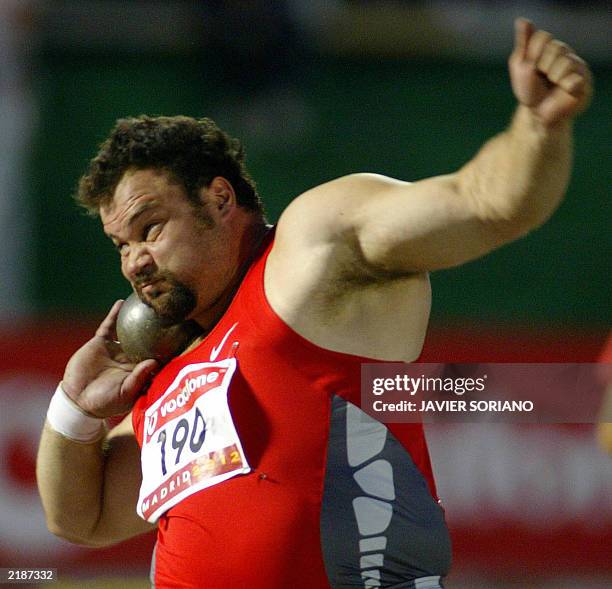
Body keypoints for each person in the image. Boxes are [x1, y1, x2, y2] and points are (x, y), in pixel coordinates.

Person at [36, 19, 592, 589]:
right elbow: (82, 519)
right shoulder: (171, 375)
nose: (133, 263)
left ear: (220, 198)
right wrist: (76, 407)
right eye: (120, 246)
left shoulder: (310, 252)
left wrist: (538, 127)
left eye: (150, 229)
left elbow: (485, 202)